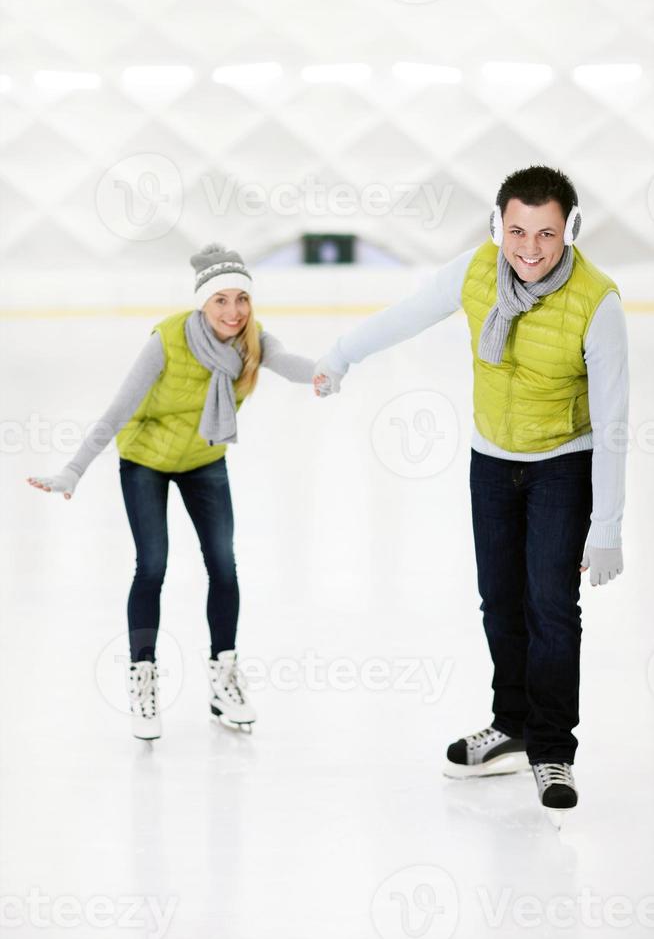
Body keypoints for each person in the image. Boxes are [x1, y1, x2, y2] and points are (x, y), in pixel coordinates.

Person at [312, 166, 628, 824]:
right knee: (500, 602)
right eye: (516, 230)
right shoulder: (477, 270)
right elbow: (409, 315)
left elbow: (615, 420)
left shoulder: (598, 301)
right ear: (498, 225)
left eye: (546, 233)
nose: (530, 248)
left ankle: (550, 749)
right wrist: (341, 353)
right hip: (492, 464)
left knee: (551, 607)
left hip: (561, 469)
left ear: (569, 228)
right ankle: (509, 724)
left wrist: (607, 524)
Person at [29, 243, 323, 741]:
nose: (233, 312)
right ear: (202, 304)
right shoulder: (167, 339)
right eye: (220, 301)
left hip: (203, 460)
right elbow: (118, 409)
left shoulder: (253, 341)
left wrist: (331, 368)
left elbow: (293, 363)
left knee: (224, 564)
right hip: (145, 458)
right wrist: (74, 470)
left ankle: (222, 679)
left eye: (241, 299)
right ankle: (143, 679)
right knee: (153, 565)